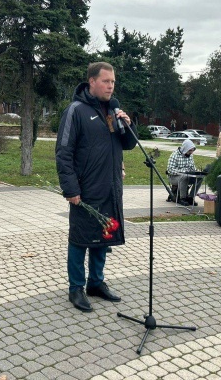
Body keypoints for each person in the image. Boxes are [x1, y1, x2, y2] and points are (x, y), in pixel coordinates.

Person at [56, 62, 137, 312]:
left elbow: (128, 145)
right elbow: (63, 153)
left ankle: (96, 283)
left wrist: (129, 125)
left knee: (104, 236)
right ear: (92, 82)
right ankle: (76, 288)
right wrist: (71, 189)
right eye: (106, 81)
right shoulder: (75, 111)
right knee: (80, 239)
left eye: (113, 82)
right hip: (85, 190)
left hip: (110, 187)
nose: (111, 86)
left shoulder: (113, 110)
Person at [166, 139, 198, 206]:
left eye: (192, 150)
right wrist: (183, 172)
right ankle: (182, 198)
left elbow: (192, 168)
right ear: (185, 149)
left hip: (187, 176)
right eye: (190, 150)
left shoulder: (190, 156)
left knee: (199, 178)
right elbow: (170, 170)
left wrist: (197, 172)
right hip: (174, 177)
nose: (191, 152)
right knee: (184, 176)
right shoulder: (174, 155)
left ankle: (191, 197)